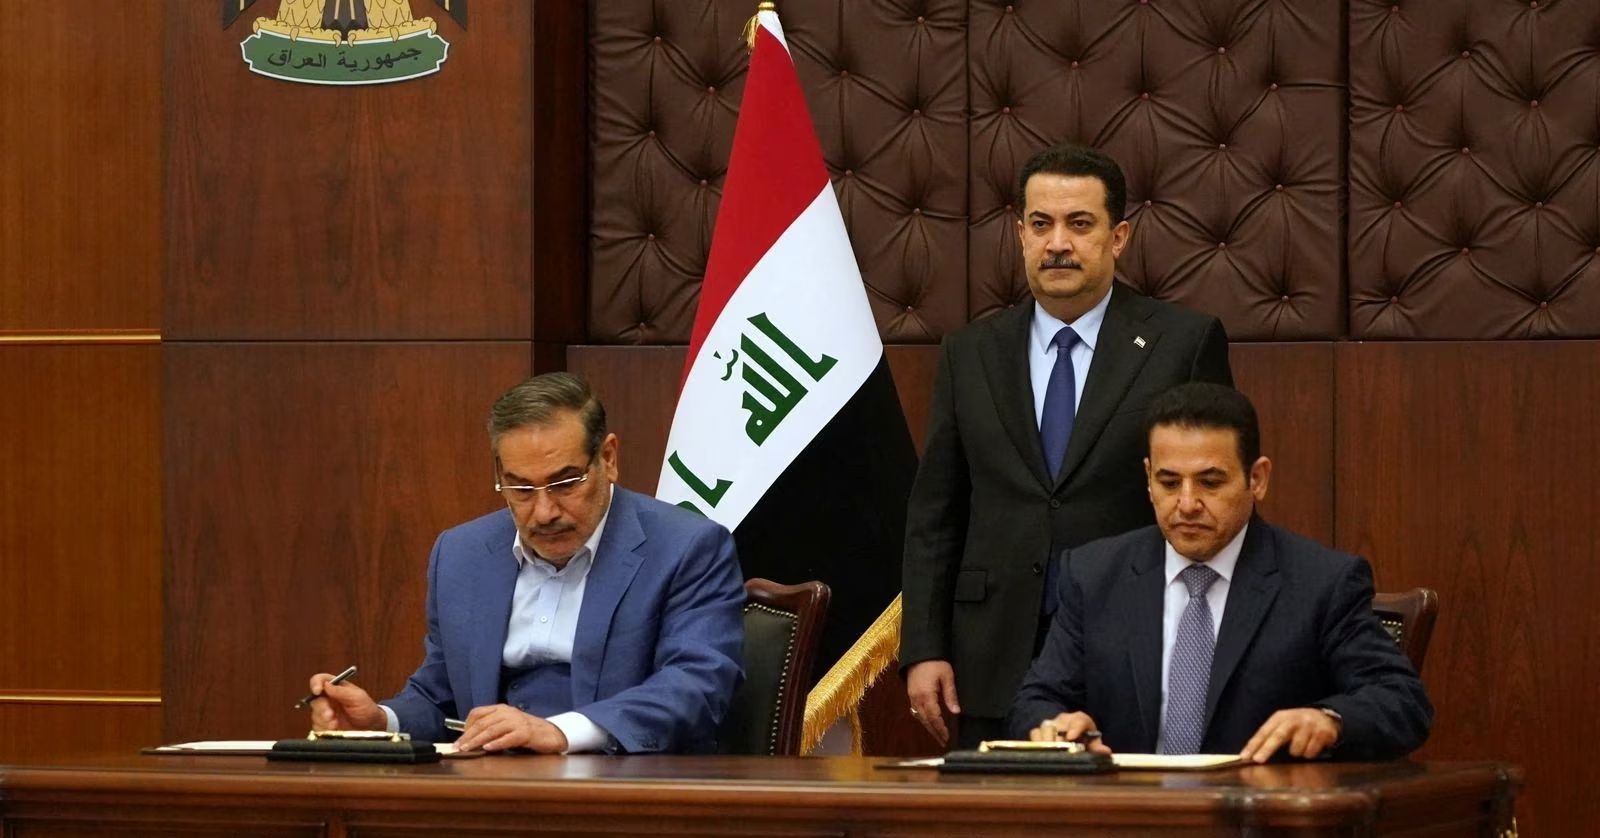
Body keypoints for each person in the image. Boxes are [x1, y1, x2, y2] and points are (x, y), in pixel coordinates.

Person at [901, 143, 1234, 747]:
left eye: (1080, 224)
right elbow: (936, 511)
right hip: (989, 654)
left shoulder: (1182, 343)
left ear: (1119, 237)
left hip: (1131, 639)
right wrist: (924, 648)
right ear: (1020, 235)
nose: (1058, 242)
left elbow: (1212, 503)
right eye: (1041, 224)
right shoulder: (969, 352)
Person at [304, 372, 745, 754]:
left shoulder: (686, 547)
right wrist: (381, 722)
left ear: (608, 459)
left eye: (564, 483)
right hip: (490, 792)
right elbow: (440, 697)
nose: (544, 512)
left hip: (626, 791)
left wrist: (559, 731)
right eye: (520, 489)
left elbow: (697, 686)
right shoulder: (462, 554)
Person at [1009, 383, 1432, 761]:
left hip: (1256, 819)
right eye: (1169, 482)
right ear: (1148, 480)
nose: (1187, 503)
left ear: (1257, 479)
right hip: (1128, 816)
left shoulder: (1322, 582)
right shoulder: (1094, 574)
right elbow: (1038, 699)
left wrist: (1330, 720)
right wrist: (1055, 726)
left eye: (1210, 483)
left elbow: (1402, 701)